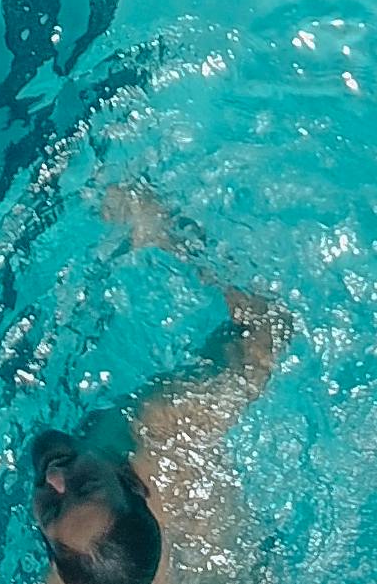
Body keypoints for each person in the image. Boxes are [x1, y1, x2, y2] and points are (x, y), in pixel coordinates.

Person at [30, 187, 294, 583]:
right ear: (130, 480)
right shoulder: (170, 432)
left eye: (53, 509)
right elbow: (268, 326)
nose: (55, 479)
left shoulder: (69, 564)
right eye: (84, 484)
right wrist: (169, 231)